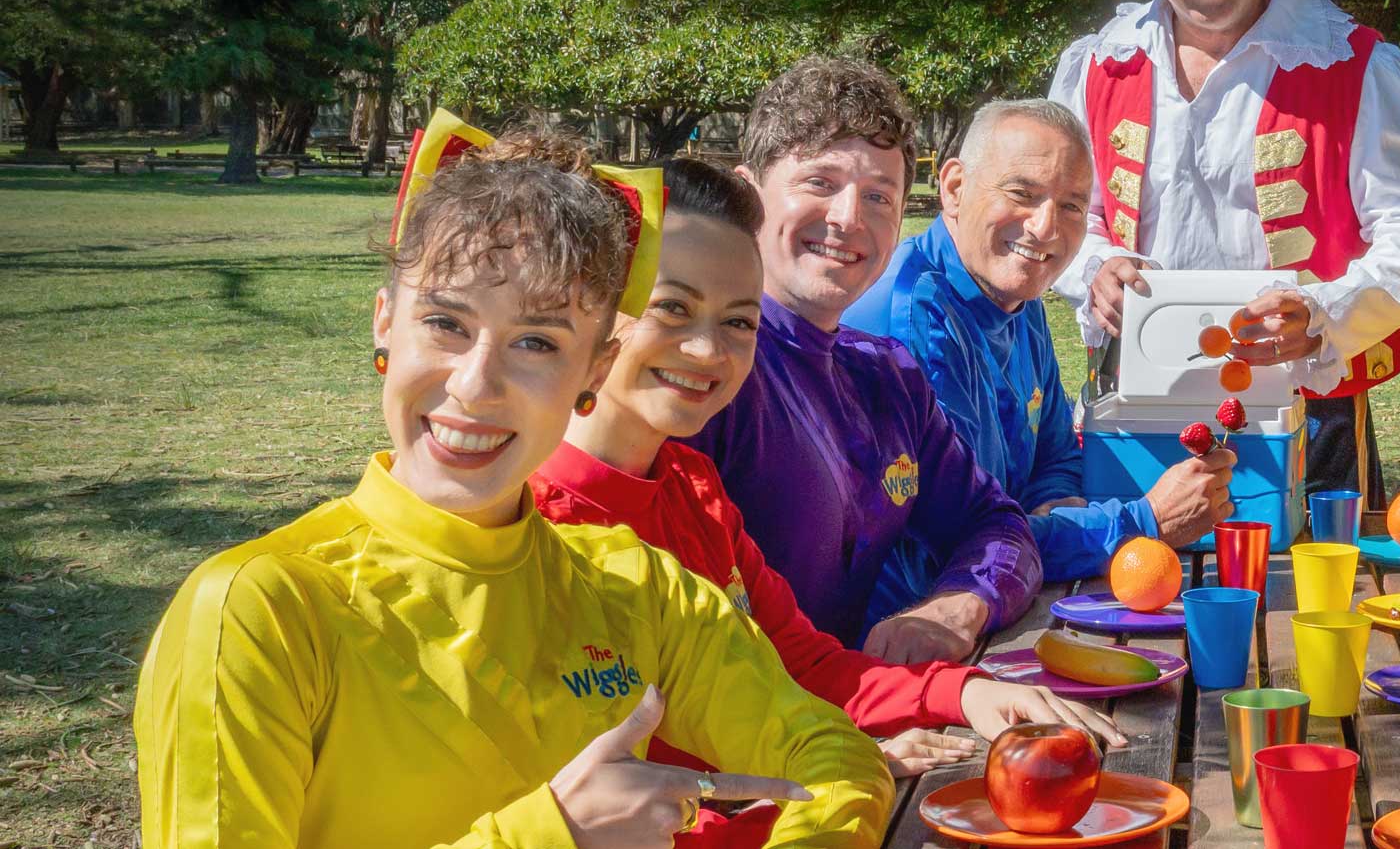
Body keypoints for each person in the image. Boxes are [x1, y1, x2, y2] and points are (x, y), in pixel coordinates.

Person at [135, 117, 890, 849]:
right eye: (445, 323)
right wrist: (551, 832)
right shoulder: (260, 611)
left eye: (536, 341)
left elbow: (837, 759)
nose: (475, 383)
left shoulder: (640, 589)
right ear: (383, 323)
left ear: (592, 371)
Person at [535, 157, 1124, 841]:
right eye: (672, 307)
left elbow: (800, 664)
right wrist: (826, 775)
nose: (706, 348)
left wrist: (961, 691)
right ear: (595, 307)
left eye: (739, 322)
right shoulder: (536, 523)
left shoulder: (691, 491)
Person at [1048, 0, 1400, 506]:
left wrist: (1324, 311)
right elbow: (1061, 216)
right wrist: (1093, 270)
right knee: (1140, 593)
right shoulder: (1095, 66)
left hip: (1311, 403)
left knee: (1317, 598)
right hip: (1144, 398)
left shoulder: (1357, 63)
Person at [693, 57, 1039, 665]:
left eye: (879, 196)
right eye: (820, 183)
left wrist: (958, 604)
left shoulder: (888, 376)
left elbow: (998, 525)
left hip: (854, 712)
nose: (849, 219)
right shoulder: (706, 376)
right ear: (747, 195)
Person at [845, 100, 1234, 594]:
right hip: (907, 635)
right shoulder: (914, 321)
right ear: (954, 188)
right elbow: (963, 542)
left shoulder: (1017, 297)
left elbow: (1055, 456)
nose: (1046, 228)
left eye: (1071, 205)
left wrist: (1054, 506)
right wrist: (1144, 520)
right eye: (1022, 193)